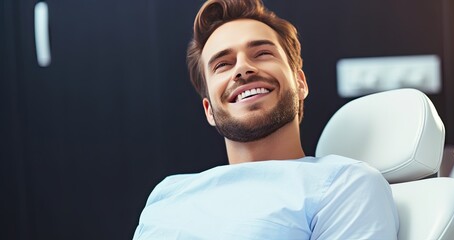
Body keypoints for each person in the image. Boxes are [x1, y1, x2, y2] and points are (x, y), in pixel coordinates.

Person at [133, 0, 399, 239]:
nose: (242, 68)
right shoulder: (167, 194)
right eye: (222, 65)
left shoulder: (345, 186)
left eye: (262, 53)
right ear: (209, 110)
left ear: (300, 83)